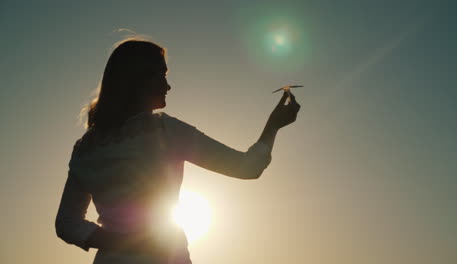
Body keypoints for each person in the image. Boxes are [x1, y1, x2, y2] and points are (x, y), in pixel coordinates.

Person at [55, 39, 301, 264]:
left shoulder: (85, 148)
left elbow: (66, 223)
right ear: (139, 80)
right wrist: (273, 126)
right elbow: (248, 167)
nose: (168, 85)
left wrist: (119, 242)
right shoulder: (164, 131)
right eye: (161, 75)